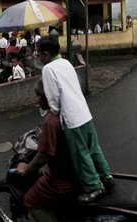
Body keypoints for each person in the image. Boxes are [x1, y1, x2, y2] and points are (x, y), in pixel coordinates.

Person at [38, 36, 112, 203]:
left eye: (38, 55)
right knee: (93, 147)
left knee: (81, 154)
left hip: (71, 117)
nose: (39, 58)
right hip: (84, 112)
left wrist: (54, 113)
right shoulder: (66, 62)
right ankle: (106, 175)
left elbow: (53, 97)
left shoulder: (48, 69)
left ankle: (94, 187)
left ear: (46, 53)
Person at [17, 79, 80, 222]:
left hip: (62, 180)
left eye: (39, 97)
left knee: (30, 200)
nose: (37, 100)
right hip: (79, 171)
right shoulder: (70, 109)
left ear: (48, 98)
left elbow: (44, 156)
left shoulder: (51, 121)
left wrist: (26, 168)